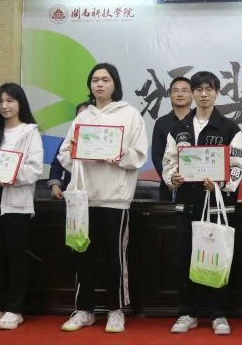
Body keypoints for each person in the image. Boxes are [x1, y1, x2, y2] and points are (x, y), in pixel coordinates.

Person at [57, 63, 149, 334]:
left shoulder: (130, 115)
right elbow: (63, 155)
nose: (99, 84)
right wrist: (77, 153)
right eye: (95, 80)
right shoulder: (82, 117)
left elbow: (139, 156)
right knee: (82, 255)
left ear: (115, 84)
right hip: (83, 199)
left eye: (105, 80)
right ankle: (83, 310)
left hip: (114, 199)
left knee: (113, 258)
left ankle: (115, 310)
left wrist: (118, 155)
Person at [162, 71, 242, 335]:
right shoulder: (179, 128)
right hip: (187, 204)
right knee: (185, 258)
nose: (204, 94)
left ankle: (219, 314)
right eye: (198, 89)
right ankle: (187, 313)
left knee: (217, 257)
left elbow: (237, 165)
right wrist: (173, 178)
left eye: (209, 89)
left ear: (217, 93)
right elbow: (169, 161)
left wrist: (221, 184)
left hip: (217, 205)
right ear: (193, 93)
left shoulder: (230, 128)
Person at [0, 83, 44, 331]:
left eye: (10, 101)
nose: (5, 106)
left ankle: (14, 309)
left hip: (16, 205)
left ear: (20, 103)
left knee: (16, 257)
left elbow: (35, 168)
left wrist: (10, 175)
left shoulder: (30, 132)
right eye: (0, 102)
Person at [152, 76, 193, 201]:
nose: (180, 94)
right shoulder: (161, 123)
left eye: (185, 90)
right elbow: (157, 155)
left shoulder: (200, 121)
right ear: (170, 95)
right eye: (175, 90)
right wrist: (170, 178)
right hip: (169, 187)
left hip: (196, 185)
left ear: (193, 94)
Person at [49, 102, 89, 200]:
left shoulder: (103, 143)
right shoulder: (69, 141)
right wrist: (55, 186)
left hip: (97, 193)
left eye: (88, 115)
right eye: (80, 116)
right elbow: (56, 165)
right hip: (72, 192)